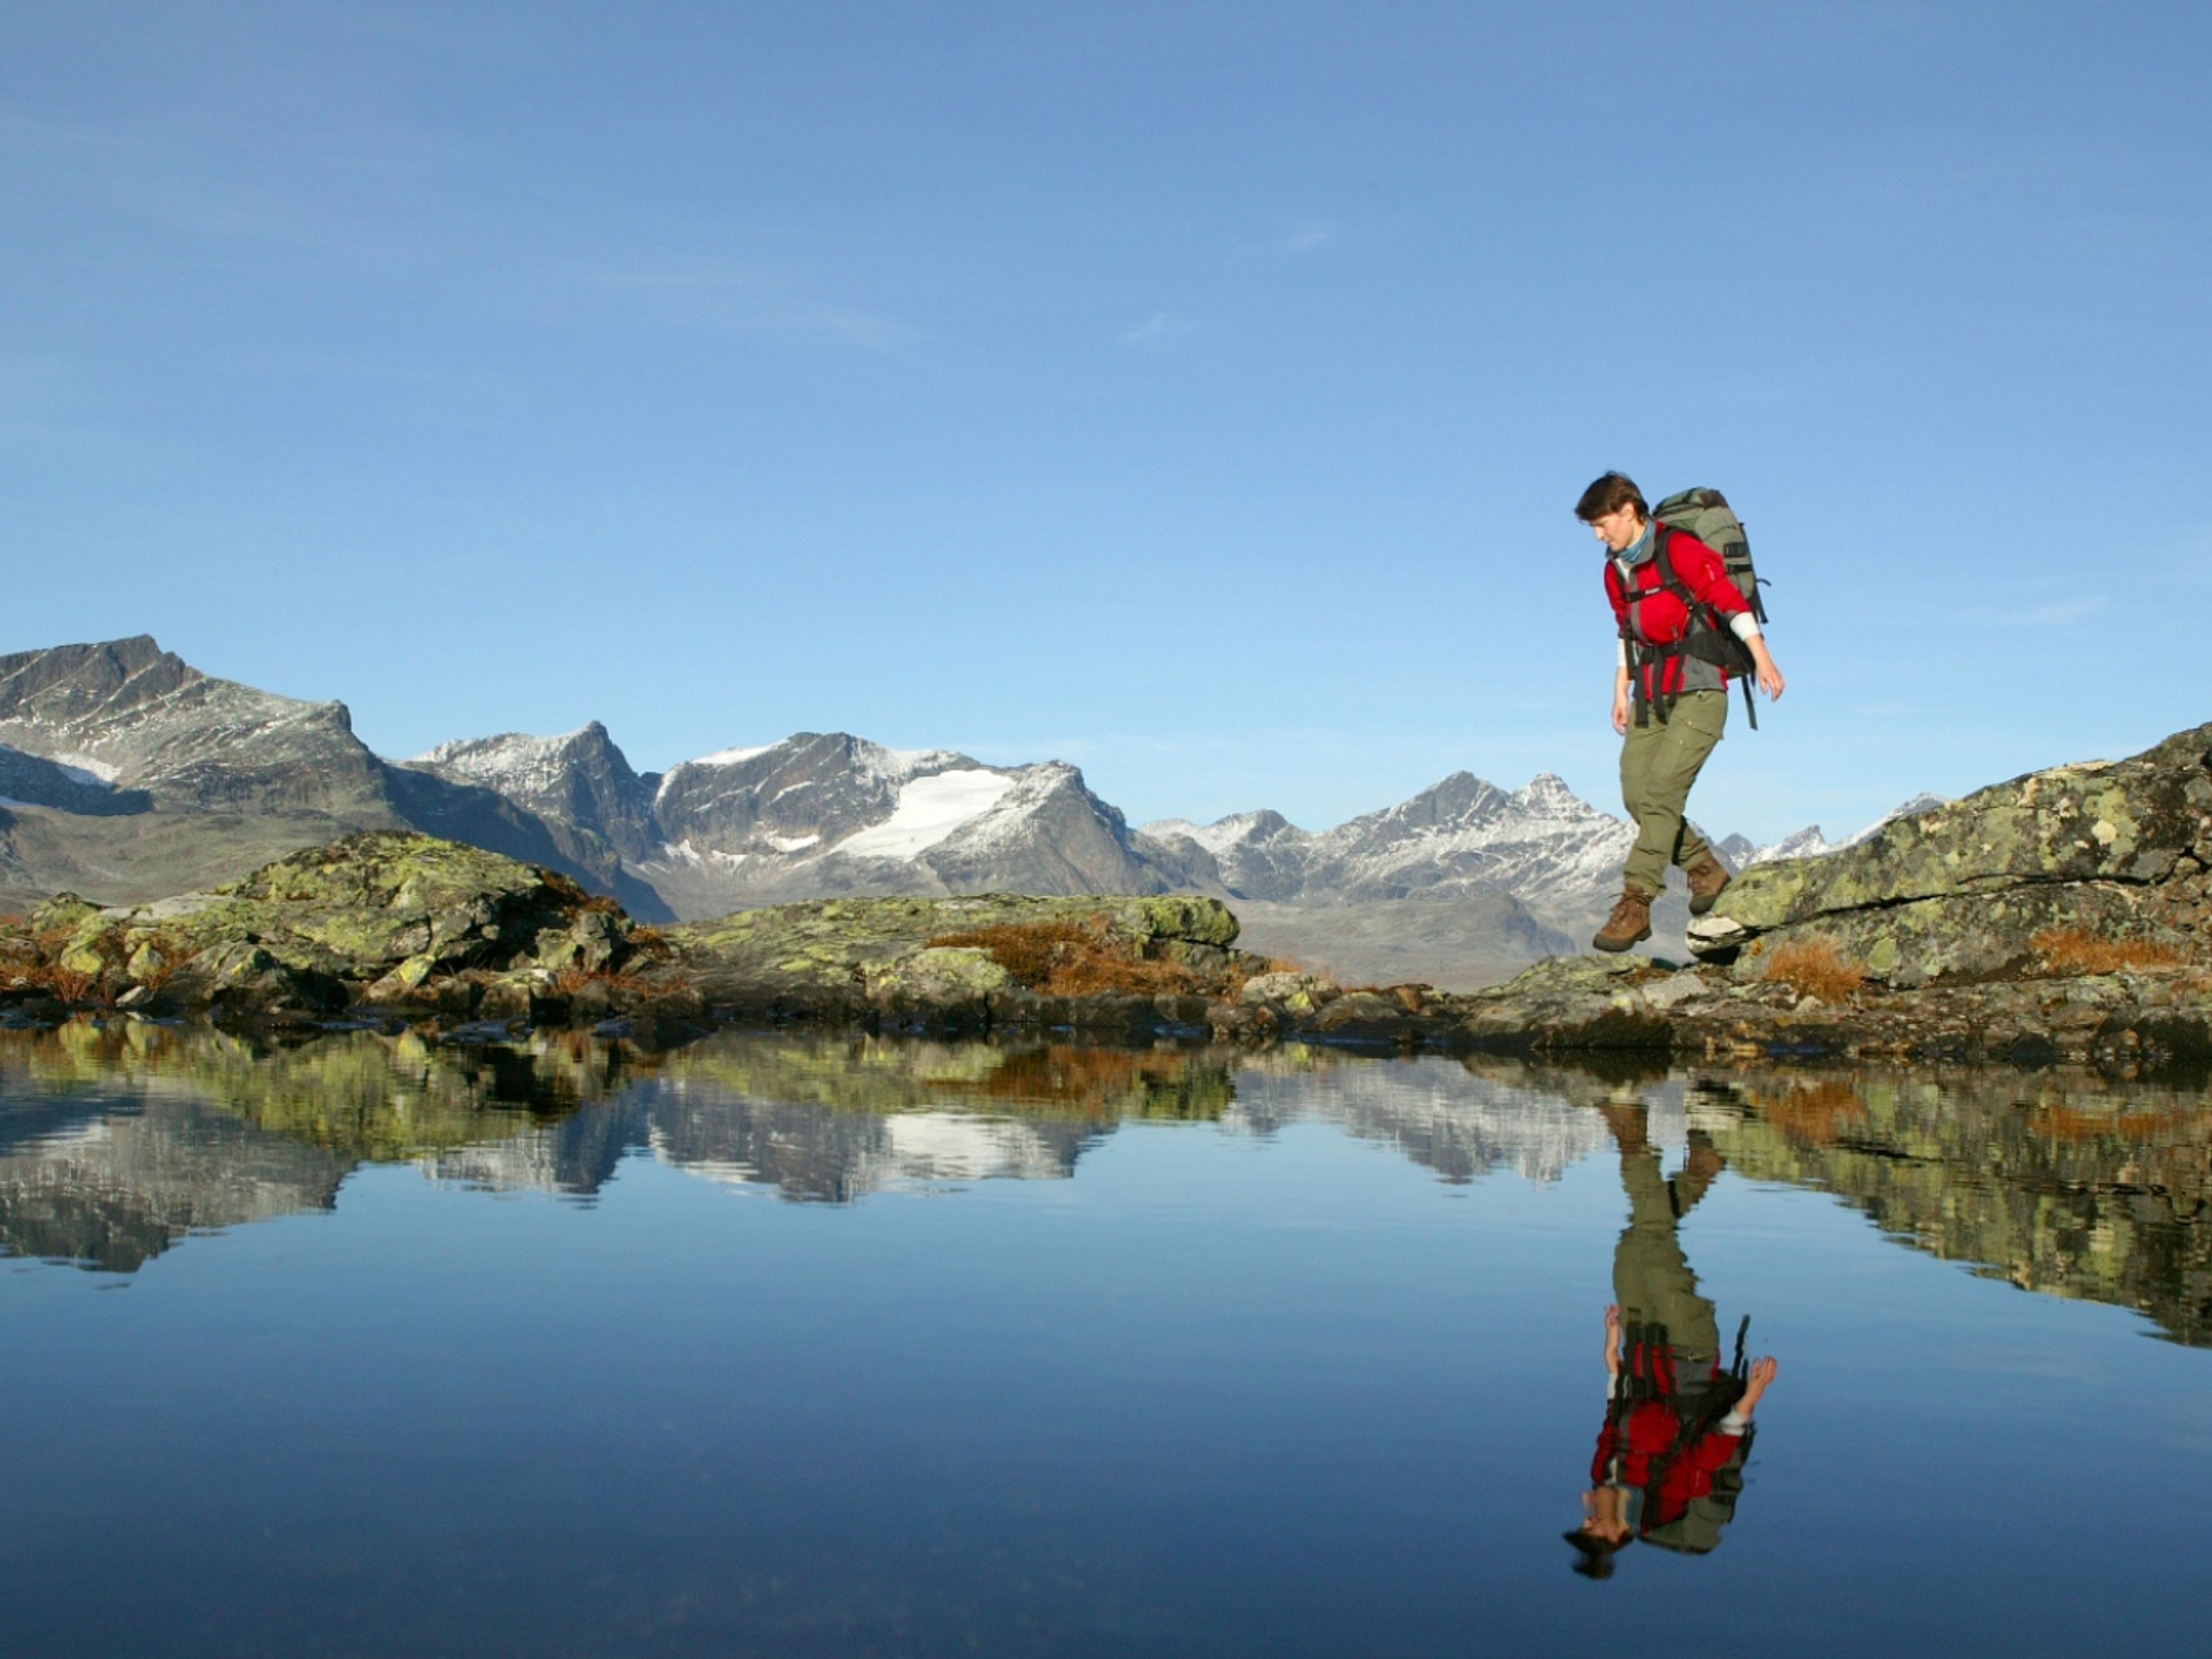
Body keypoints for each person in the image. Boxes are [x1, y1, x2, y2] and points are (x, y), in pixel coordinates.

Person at [1573, 472, 1786, 952]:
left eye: (1602, 523)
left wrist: (1763, 658)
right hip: (1651, 693)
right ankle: (1705, 869)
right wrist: (1620, 690)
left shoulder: (1680, 550)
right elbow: (1626, 632)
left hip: (1700, 691)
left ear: (1629, 511)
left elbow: (1730, 604)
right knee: (1637, 794)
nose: (1598, 535)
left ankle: (1637, 901)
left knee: (1664, 793)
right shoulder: (1615, 570)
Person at [1565, 1103, 1778, 1577]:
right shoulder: (1661, 1498)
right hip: (1689, 1347)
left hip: (1639, 1341)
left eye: (1583, 1525)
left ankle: (1701, 1168)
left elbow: (1612, 1415)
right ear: (1619, 1534)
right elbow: (1712, 1450)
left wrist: (1610, 1352)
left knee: (1634, 1243)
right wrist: (1752, 1395)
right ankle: (1632, 1137)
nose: (1588, 1519)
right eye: (1593, 1530)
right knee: (1656, 1241)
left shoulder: (1604, 1472)